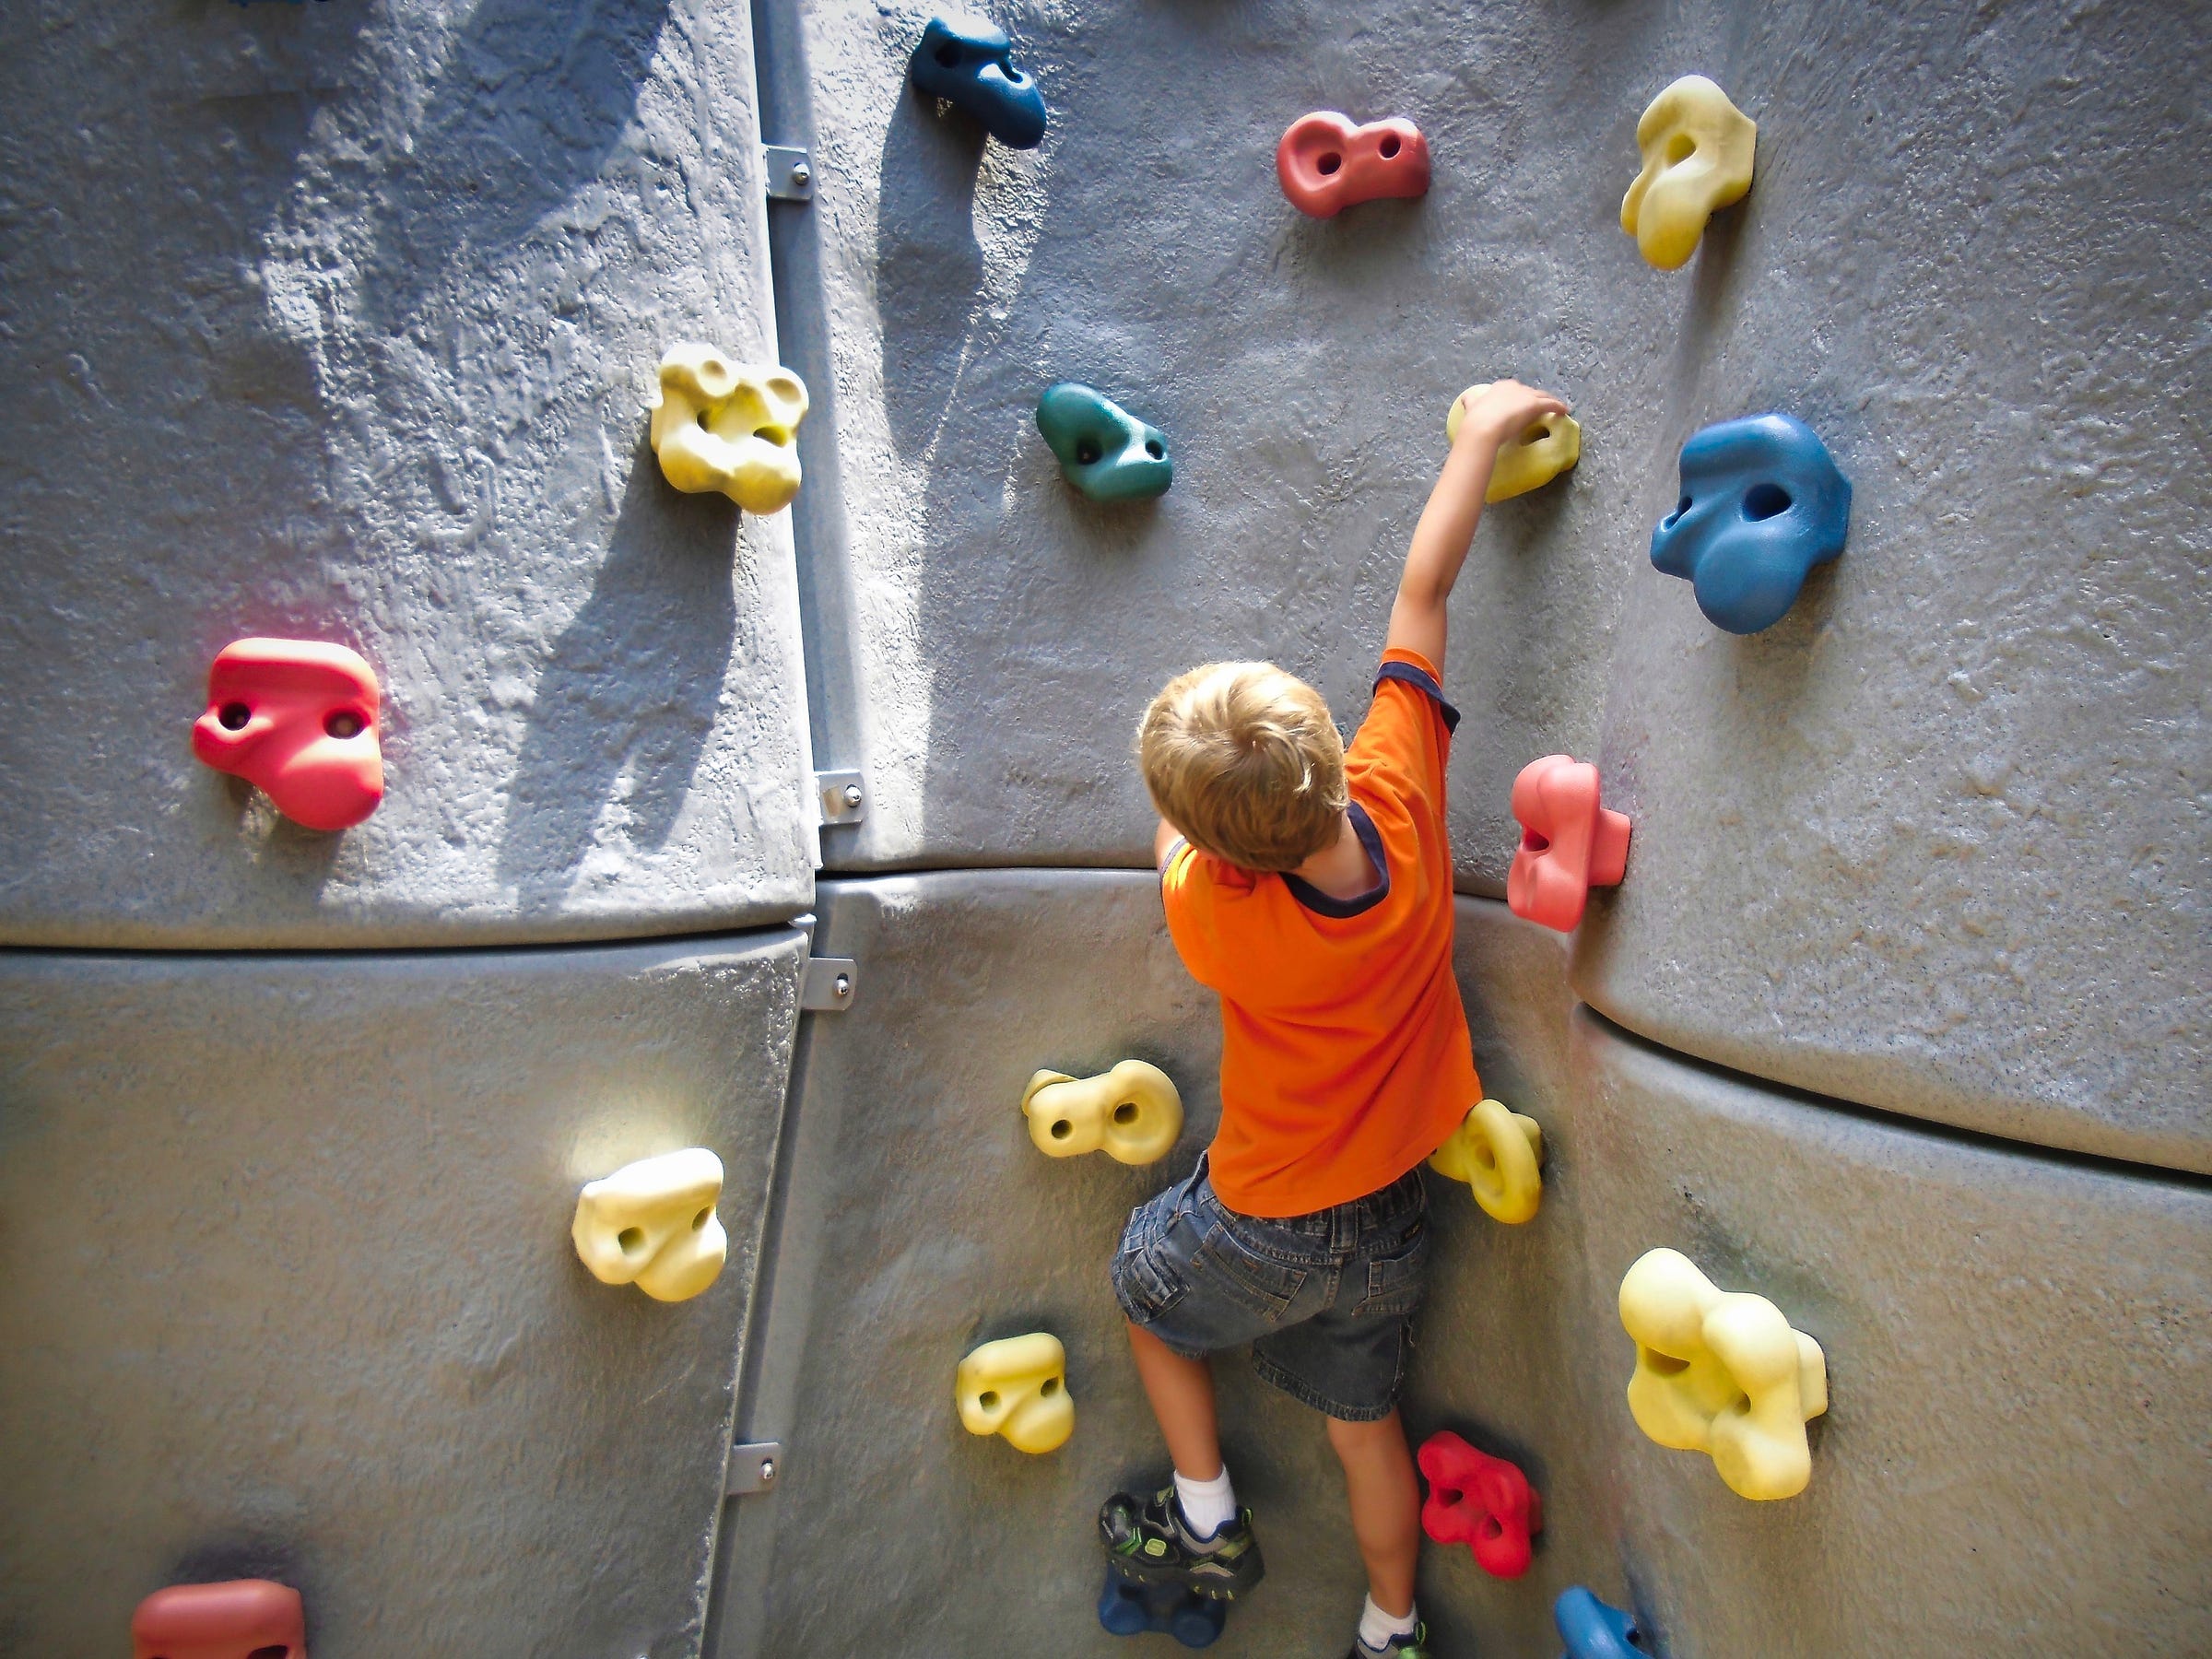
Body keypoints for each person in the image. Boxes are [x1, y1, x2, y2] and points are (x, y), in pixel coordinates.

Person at [1100, 381, 1572, 1659]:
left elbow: (1172, 850)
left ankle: (1208, 1521)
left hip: (1265, 1220)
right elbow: (1424, 600)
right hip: (1391, 1212)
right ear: (1329, 743)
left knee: (1144, 1291)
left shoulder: (1223, 919)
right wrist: (1477, 436)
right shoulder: (1398, 788)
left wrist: (1191, 823)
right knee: (1367, 1426)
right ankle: (1391, 1626)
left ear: (1224, 850)